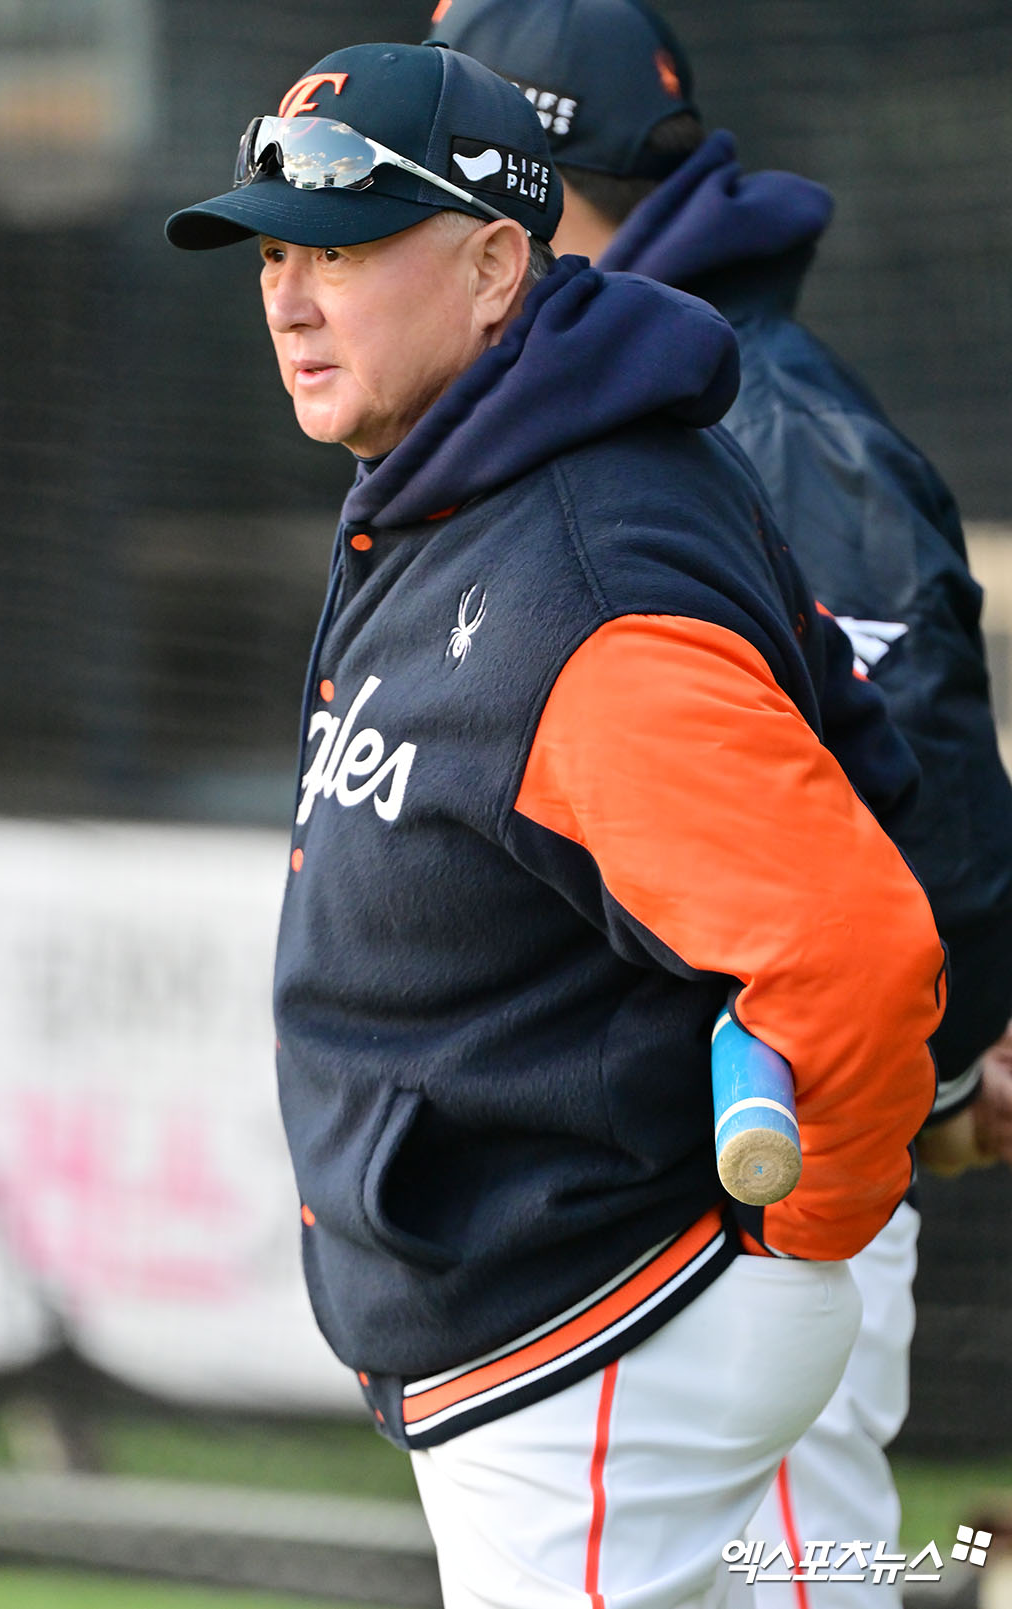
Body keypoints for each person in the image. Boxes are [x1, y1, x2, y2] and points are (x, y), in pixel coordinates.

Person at [166, 40, 946, 1609]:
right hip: (602, 1326)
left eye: (345, 249)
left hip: (599, 1334)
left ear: (494, 265)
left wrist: (807, 1235)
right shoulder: (484, 478)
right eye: (273, 254)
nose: (291, 297)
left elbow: (852, 952)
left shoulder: (575, 574)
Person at [429, 0, 1012, 1596]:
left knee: (807, 1576)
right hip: (647, 1194)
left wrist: (930, 1083)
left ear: (526, 184)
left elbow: (927, 802)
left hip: (767, 1181)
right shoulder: (593, 398)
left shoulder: (762, 417)